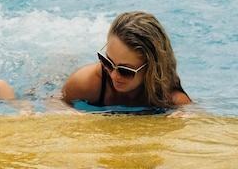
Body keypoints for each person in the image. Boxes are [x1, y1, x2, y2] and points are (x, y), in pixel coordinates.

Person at [61, 11, 191, 111]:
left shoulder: (168, 97)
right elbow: (56, 100)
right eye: (107, 62)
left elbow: (195, 115)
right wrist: (63, 110)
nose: (113, 75)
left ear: (152, 68)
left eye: (125, 71)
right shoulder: (86, 82)